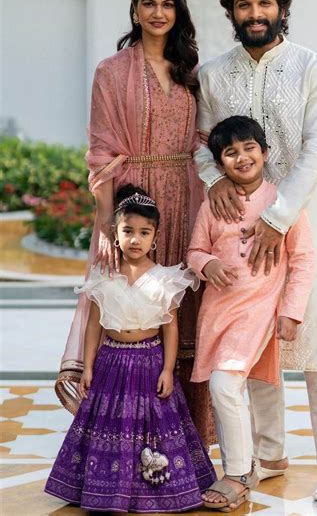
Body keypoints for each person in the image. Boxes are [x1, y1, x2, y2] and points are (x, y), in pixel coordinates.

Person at [194, 0, 317, 503]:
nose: (255, 13)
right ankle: (267, 454)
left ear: (281, 7)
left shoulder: (313, 67)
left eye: (264, 3)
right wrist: (213, 175)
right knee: (252, 340)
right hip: (236, 226)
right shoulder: (214, 74)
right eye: (244, 5)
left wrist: (276, 217)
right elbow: (202, 142)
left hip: (303, 215)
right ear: (231, 13)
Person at [55, 0, 214, 445]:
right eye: (149, 3)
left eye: (168, 4)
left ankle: (184, 437)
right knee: (126, 304)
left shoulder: (191, 70)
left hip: (186, 197)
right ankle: (123, 434)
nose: (158, 13)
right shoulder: (111, 71)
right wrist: (107, 223)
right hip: (133, 206)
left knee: (180, 309)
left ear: (179, 10)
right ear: (135, 8)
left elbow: (205, 139)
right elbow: (102, 151)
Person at [45, 184, 216, 512]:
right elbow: (94, 324)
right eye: (128, 231)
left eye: (144, 232)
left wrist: (168, 369)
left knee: (151, 426)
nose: (135, 239)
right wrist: (89, 366)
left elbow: (171, 327)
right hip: (111, 361)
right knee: (110, 425)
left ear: (156, 236)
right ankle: (107, 489)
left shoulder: (167, 278)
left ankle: (152, 490)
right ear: (115, 233)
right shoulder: (103, 275)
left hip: (150, 361)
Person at [187, 116, 314, 511]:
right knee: (223, 388)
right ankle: (247, 463)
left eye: (249, 148)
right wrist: (207, 265)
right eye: (230, 152)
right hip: (216, 313)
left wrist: (291, 312)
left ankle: (239, 474)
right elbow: (194, 251)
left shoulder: (282, 203)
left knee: (225, 386)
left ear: (265, 152)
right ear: (220, 163)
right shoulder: (214, 203)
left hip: (257, 310)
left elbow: (304, 260)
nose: (242, 158)